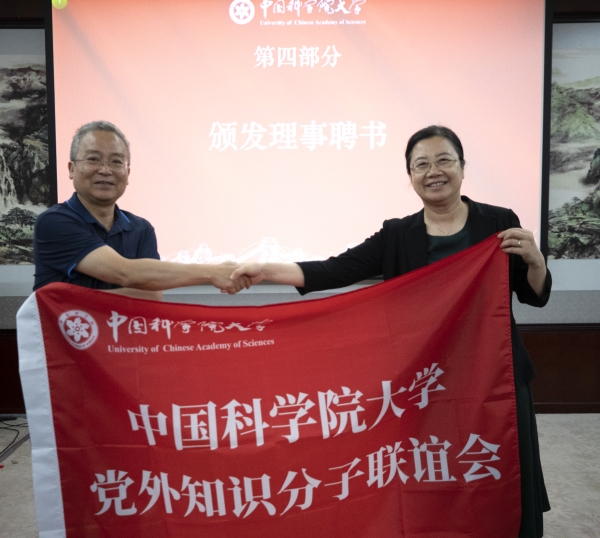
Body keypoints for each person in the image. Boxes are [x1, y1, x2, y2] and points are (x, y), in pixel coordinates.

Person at [231, 125, 551, 538]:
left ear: (462, 167)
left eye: (444, 160)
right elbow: (333, 270)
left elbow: (533, 295)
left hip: (496, 374)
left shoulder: (498, 222)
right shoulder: (398, 234)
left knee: (502, 469)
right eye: (422, 164)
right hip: (427, 381)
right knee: (437, 468)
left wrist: (536, 261)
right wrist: (265, 269)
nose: (434, 171)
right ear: (410, 176)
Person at [34, 121, 250, 299]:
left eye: (116, 162)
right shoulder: (53, 222)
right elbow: (123, 272)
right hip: (65, 339)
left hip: (124, 338)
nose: (105, 170)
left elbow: (152, 295)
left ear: (127, 174)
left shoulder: (141, 229)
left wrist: (77, 298)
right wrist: (211, 273)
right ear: (71, 169)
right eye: (93, 159)